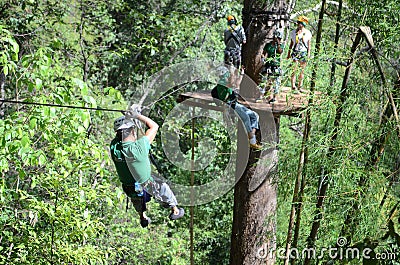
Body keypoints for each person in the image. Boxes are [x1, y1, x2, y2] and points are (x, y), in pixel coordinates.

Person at [110, 109, 184, 228]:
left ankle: (142, 216)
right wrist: (137, 116)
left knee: (137, 201)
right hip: (146, 183)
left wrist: (129, 120)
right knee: (163, 187)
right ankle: (175, 209)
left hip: (129, 186)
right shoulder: (139, 148)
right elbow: (154, 126)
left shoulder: (114, 147)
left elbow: (122, 138)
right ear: (132, 131)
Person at [211, 66, 261, 150]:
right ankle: (252, 141)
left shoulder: (225, 81)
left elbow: (236, 84)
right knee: (246, 118)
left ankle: (252, 137)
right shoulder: (222, 81)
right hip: (229, 105)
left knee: (254, 115)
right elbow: (233, 84)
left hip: (234, 103)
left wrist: (241, 73)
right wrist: (233, 72)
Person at [287, 15, 312, 93]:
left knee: (302, 70)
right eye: (298, 23)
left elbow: (309, 45)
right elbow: (291, 44)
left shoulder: (307, 33)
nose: (299, 24)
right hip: (295, 52)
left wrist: (308, 55)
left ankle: (300, 86)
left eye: (300, 23)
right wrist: (288, 53)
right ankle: (293, 86)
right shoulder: (293, 32)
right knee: (294, 69)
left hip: (303, 53)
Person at [259, 29, 285, 103]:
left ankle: (275, 98)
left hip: (276, 65)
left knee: (276, 82)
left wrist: (278, 44)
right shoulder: (268, 45)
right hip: (268, 64)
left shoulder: (280, 45)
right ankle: (261, 96)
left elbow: (280, 52)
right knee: (264, 80)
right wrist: (263, 58)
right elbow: (264, 53)